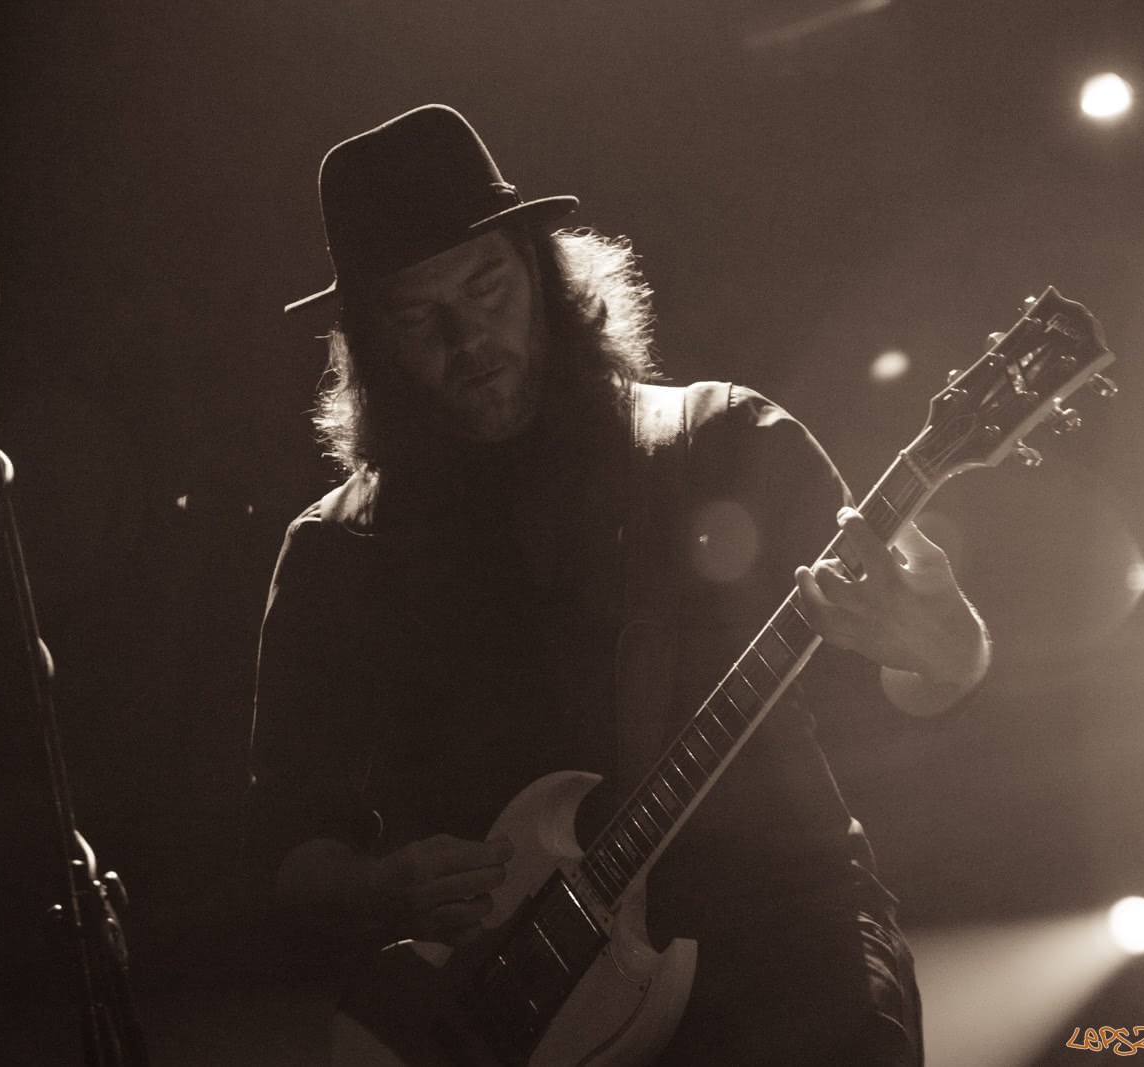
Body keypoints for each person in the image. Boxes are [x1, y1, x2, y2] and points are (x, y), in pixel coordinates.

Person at [245, 104, 990, 1064]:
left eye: (486, 287)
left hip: (783, 959)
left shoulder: (719, 441)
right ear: (367, 346)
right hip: (509, 1020)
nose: (468, 339)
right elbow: (288, 854)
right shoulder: (335, 552)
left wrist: (943, 639)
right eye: (415, 316)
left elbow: (921, 680)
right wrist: (377, 889)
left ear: (545, 276)